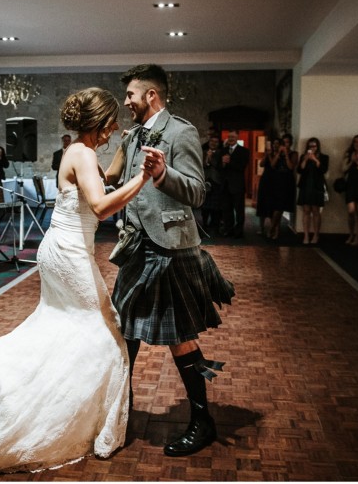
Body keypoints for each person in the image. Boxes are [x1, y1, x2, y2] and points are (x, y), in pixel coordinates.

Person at [0, 87, 156, 478]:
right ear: (97, 122)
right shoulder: (82, 154)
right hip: (68, 253)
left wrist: (127, 149)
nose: (114, 128)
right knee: (105, 335)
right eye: (111, 122)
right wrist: (144, 177)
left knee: (67, 328)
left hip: (61, 248)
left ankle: (64, 404)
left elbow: (105, 182)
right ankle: (46, 410)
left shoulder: (80, 154)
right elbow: (102, 207)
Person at [106, 64, 234, 457]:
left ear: (151, 96)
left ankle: (202, 421)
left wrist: (164, 174)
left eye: (130, 95)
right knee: (122, 334)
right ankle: (118, 415)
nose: (126, 102)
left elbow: (197, 192)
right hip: (135, 250)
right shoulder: (131, 136)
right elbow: (117, 183)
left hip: (170, 249)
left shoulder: (182, 132)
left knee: (179, 339)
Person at [296, 137, 329, 244]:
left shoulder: (324, 157)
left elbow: (323, 170)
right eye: (310, 146)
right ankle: (305, 235)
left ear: (318, 146)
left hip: (317, 186)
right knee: (306, 210)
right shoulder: (303, 156)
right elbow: (299, 170)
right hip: (305, 185)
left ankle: (316, 235)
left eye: (314, 146)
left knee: (316, 211)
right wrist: (305, 159)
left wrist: (314, 159)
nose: (312, 148)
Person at [219, 130, 250, 239]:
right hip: (225, 185)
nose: (231, 138)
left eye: (233, 136)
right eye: (229, 136)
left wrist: (229, 162)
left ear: (237, 137)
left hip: (237, 185)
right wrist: (223, 163)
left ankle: (239, 232)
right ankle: (228, 230)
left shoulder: (244, 151)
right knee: (227, 210)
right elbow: (219, 168)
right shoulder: (223, 150)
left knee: (239, 210)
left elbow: (241, 167)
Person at [267, 133, 298, 240]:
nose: (285, 145)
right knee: (276, 208)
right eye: (283, 143)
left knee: (280, 208)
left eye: (287, 142)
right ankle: (276, 231)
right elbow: (272, 165)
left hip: (287, 183)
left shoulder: (294, 154)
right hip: (276, 182)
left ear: (290, 143)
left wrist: (286, 155)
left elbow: (290, 167)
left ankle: (272, 229)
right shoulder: (278, 153)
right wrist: (278, 154)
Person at [200, 133, 224, 231]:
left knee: (216, 206)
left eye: (216, 142)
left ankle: (215, 225)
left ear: (218, 144)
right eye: (211, 141)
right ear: (209, 142)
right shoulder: (203, 152)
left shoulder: (221, 153)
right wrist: (207, 158)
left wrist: (211, 158)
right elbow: (202, 165)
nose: (213, 143)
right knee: (204, 206)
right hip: (205, 181)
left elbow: (219, 166)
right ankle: (204, 224)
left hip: (216, 182)